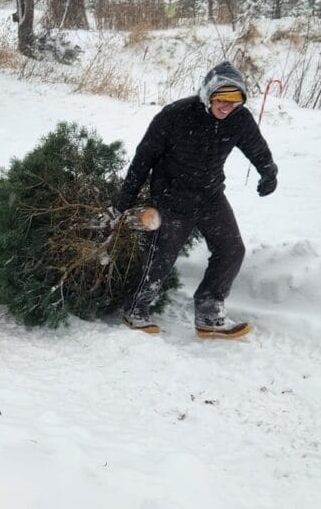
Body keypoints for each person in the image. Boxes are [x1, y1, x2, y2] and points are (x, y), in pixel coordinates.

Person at [110, 60, 279, 340]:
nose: (227, 106)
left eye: (235, 100)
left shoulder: (240, 119)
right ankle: (136, 309)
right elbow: (144, 158)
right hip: (172, 196)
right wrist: (124, 198)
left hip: (211, 195)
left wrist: (268, 172)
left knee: (232, 249)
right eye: (221, 99)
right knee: (162, 255)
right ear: (208, 96)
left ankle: (210, 311)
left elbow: (257, 148)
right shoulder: (176, 115)